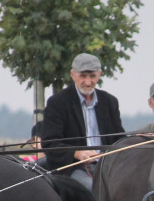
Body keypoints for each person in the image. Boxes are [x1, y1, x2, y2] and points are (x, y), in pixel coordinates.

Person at [40, 52, 125, 188]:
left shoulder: (109, 101)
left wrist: (137, 137)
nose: (88, 82)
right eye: (83, 76)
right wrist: (77, 153)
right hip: (73, 169)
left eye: (92, 76)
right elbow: (50, 143)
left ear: (99, 75)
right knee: (93, 189)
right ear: (73, 75)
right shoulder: (57, 102)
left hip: (107, 167)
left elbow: (119, 138)